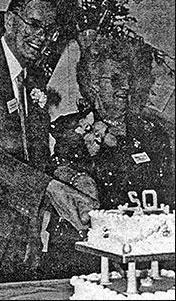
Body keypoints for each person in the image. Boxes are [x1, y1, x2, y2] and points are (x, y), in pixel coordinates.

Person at [0, 0, 99, 285]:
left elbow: (31, 157)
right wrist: (50, 188)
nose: (42, 37)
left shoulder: (33, 79)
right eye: (35, 24)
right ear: (10, 21)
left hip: (20, 242)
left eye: (49, 30)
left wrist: (67, 176)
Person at [47, 34, 174, 261]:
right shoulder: (72, 130)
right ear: (94, 85)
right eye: (115, 79)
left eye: (128, 79)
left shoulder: (152, 132)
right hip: (88, 252)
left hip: (146, 249)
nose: (125, 86)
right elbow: (68, 181)